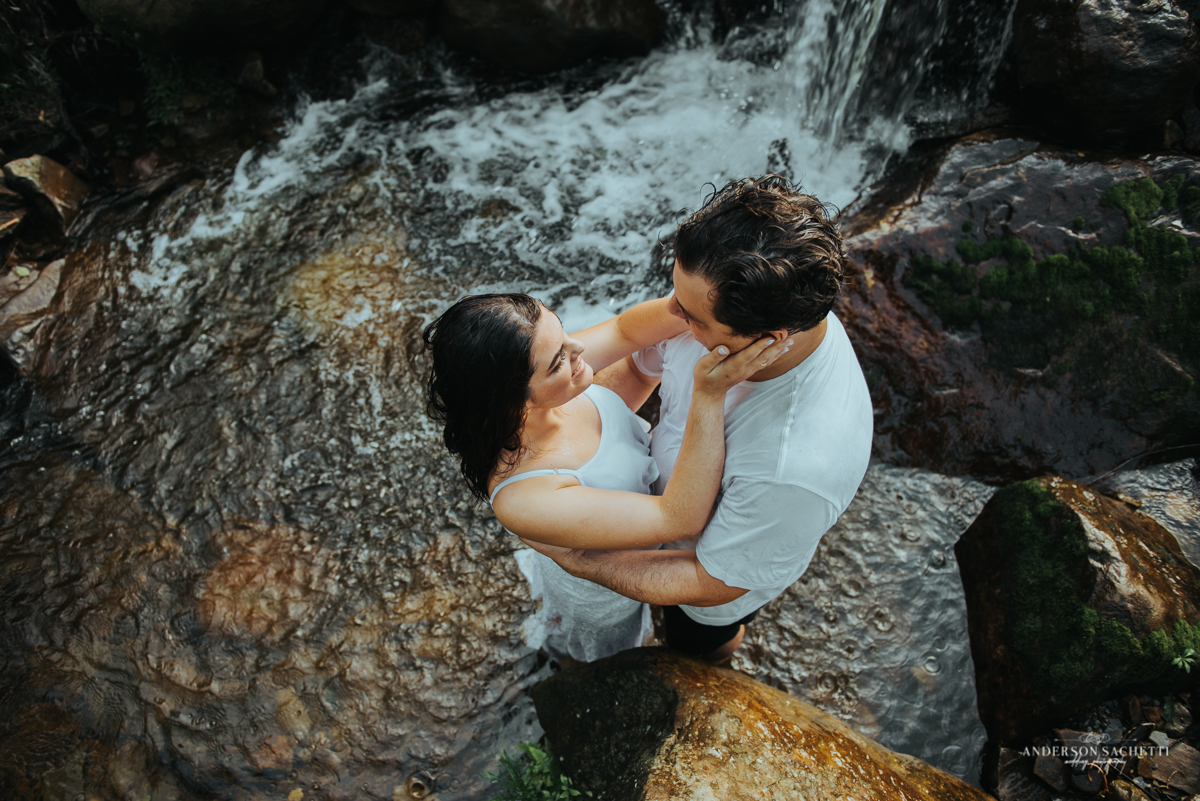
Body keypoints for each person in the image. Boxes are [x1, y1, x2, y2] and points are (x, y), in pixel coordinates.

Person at [523, 175, 874, 663]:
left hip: (712, 570)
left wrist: (584, 561)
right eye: (676, 294)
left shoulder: (793, 469)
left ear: (771, 338)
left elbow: (713, 581)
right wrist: (560, 452)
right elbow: (639, 363)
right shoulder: (721, 296)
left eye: (691, 317)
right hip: (663, 509)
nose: (671, 314)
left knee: (696, 642)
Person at [422, 293, 790, 662]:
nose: (579, 346)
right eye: (556, 361)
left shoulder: (556, 373)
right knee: (604, 658)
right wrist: (709, 394)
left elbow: (625, 331)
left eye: (563, 332)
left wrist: (711, 307)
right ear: (512, 402)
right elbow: (679, 517)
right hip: (602, 596)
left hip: (638, 545)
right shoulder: (525, 497)